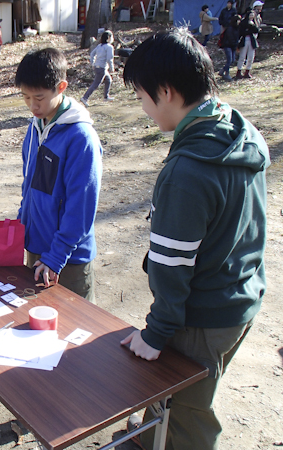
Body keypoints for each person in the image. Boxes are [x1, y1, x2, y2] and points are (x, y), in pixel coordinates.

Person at [121, 28, 269, 450]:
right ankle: (148, 440)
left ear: (166, 91)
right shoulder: (241, 132)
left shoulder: (187, 171)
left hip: (202, 316)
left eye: (141, 96)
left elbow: (172, 265)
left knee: (187, 411)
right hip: (241, 296)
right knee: (174, 394)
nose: (143, 108)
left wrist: (156, 332)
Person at [15, 48, 103, 304]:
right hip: (37, 247)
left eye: (39, 97)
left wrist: (56, 256)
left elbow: (82, 207)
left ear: (61, 87)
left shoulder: (80, 138)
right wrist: (21, 224)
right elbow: (30, 186)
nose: (33, 106)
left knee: (75, 331)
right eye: (26, 97)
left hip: (69, 258)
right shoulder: (35, 127)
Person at [80, 30, 115, 106]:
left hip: (97, 67)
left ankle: (106, 96)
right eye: (111, 37)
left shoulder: (99, 46)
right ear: (108, 38)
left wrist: (93, 63)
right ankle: (85, 98)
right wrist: (112, 67)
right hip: (102, 68)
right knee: (96, 84)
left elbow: (92, 54)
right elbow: (110, 58)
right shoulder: (109, 47)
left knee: (108, 80)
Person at [235, 8, 260, 79]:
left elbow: (256, 30)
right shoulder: (243, 23)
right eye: (250, 15)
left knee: (251, 57)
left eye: (253, 15)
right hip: (244, 40)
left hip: (252, 41)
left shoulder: (254, 22)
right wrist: (249, 31)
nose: (251, 17)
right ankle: (239, 71)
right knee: (242, 56)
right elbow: (242, 32)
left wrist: (251, 28)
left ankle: (247, 71)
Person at [218, 14, 241, 81]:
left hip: (233, 46)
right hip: (228, 45)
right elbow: (230, 38)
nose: (240, 21)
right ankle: (227, 74)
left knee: (233, 60)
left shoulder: (237, 28)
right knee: (229, 60)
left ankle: (222, 70)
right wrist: (236, 44)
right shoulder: (230, 28)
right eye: (238, 20)